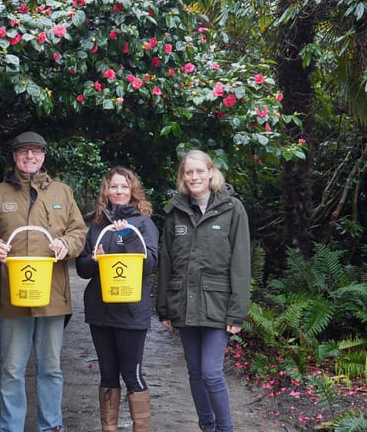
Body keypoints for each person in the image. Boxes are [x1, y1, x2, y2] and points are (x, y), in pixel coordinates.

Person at [0, 131, 87, 432]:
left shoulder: (63, 192)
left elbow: (79, 232)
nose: (30, 157)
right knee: (12, 370)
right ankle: (11, 428)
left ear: (44, 156)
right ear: (14, 156)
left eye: (36, 151)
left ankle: (51, 426)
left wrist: (67, 244)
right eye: (24, 152)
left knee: (50, 368)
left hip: (53, 296)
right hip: (12, 297)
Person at [156, 150, 251, 432]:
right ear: (183, 177)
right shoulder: (174, 213)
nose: (194, 177)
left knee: (211, 373)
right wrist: (164, 307)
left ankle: (226, 428)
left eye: (200, 171)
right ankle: (206, 427)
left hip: (218, 306)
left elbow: (241, 262)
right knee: (195, 374)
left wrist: (237, 311)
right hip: (183, 304)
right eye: (189, 172)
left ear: (211, 172)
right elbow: (167, 263)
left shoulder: (233, 209)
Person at [76, 167, 159, 432]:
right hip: (100, 313)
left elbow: (150, 265)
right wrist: (93, 259)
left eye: (124, 186)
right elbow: (82, 269)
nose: (119, 191)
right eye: (114, 187)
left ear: (132, 190)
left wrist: (128, 238)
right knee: (108, 377)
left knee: (132, 376)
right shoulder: (97, 225)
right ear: (107, 192)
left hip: (131, 313)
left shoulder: (144, 223)